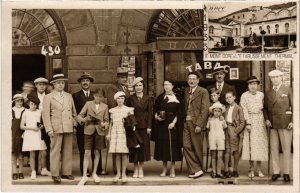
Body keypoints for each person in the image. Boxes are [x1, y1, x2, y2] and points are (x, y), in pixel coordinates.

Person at [42, 74, 77, 183]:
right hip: (55, 127)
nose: (61, 85)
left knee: (67, 150)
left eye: (62, 83)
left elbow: (73, 113)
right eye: (58, 83)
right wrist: (49, 129)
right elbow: (45, 115)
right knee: (55, 151)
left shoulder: (69, 96)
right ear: (53, 84)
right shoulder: (48, 97)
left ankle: (66, 172)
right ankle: (55, 173)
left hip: (68, 126)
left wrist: (74, 124)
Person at [264, 70, 293, 182]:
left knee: (286, 148)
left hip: (285, 123)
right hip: (272, 123)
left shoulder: (288, 90)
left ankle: (286, 172)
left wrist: (293, 121)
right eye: (272, 78)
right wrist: (266, 119)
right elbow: (265, 108)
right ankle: (276, 171)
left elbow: (295, 106)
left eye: (277, 77)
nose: (275, 79)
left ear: (281, 77)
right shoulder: (268, 92)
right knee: (274, 148)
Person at [73, 72, 102, 176]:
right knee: (83, 150)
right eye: (83, 81)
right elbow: (74, 112)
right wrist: (76, 124)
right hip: (82, 127)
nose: (85, 82)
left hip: (95, 126)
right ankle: (84, 171)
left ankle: (98, 169)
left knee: (96, 149)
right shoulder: (75, 96)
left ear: (90, 83)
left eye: (87, 81)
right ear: (80, 83)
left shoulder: (96, 95)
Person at [152, 80, 183, 178]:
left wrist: (173, 123)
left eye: (168, 85)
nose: (166, 87)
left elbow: (180, 112)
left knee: (172, 146)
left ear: (172, 86)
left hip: (173, 124)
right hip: (162, 124)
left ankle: (172, 168)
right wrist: (157, 117)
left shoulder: (178, 97)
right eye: (165, 85)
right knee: (164, 146)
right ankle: (164, 168)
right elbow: (155, 110)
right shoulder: (160, 97)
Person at [77, 92, 109, 185]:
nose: (98, 98)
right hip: (88, 130)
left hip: (99, 131)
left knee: (97, 152)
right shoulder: (88, 104)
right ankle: (84, 175)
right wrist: (85, 119)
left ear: (103, 97)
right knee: (87, 152)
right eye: (96, 96)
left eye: (100, 96)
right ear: (94, 96)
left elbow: (107, 120)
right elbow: (79, 116)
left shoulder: (105, 106)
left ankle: (94, 173)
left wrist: (104, 125)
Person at [183, 72, 209, 179]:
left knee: (197, 147)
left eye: (194, 79)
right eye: (190, 79)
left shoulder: (203, 91)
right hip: (186, 122)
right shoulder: (186, 91)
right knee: (186, 145)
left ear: (198, 80)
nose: (191, 81)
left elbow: (205, 109)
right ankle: (196, 168)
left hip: (196, 124)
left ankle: (198, 169)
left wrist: (199, 124)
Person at [241, 76, 268, 178]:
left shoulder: (261, 95)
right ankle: (251, 169)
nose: (253, 86)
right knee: (251, 145)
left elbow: (265, 109)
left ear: (257, 85)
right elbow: (244, 109)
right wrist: (247, 122)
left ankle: (259, 169)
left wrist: (266, 120)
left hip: (260, 121)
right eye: (251, 84)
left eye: (255, 84)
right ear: (248, 86)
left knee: (259, 145)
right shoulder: (244, 95)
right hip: (250, 120)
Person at [126, 77, 152, 178]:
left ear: (143, 87)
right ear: (134, 87)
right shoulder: (130, 99)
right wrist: (130, 125)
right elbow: (128, 113)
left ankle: (141, 168)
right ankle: (135, 168)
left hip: (144, 126)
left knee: (143, 147)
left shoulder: (148, 98)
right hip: (134, 126)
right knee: (134, 147)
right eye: (136, 86)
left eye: (140, 85)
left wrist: (149, 127)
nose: (138, 87)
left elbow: (150, 113)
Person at [106, 67, 130, 174]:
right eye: (122, 77)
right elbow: (111, 104)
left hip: (126, 119)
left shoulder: (126, 88)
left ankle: (123, 167)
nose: (124, 79)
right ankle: (116, 168)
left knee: (124, 144)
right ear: (117, 78)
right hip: (117, 118)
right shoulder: (113, 88)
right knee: (116, 143)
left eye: (126, 77)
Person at [106, 91, 132, 183]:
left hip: (124, 132)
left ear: (124, 99)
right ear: (116, 100)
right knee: (117, 154)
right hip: (115, 132)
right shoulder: (112, 110)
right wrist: (109, 134)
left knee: (124, 154)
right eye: (118, 98)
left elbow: (132, 123)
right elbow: (111, 123)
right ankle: (118, 173)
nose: (120, 100)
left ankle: (124, 174)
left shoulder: (128, 109)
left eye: (122, 98)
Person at [20, 95, 46, 180]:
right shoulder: (25, 112)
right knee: (32, 154)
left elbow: (40, 123)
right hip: (29, 134)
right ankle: (33, 171)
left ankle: (43, 169)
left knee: (43, 152)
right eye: (31, 104)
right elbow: (22, 126)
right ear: (28, 104)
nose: (33, 106)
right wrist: (32, 128)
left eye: (35, 104)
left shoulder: (39, 112)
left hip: (38, 134)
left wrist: (40, 126)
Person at [31, 77, 51, 176]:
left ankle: (46, 168)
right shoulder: (31, 96)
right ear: (36, 86)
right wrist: (38, 125)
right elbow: (30, 112)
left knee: (47, 146)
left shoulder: (50, 96)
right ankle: (35, 170)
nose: (42, 86)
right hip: (36, 125)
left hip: (48, 125)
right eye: (40, 84)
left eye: (44, 84)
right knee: (35, 146)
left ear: (46, 86)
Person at [224, 91, 245, 178]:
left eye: (230, 97)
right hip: (226, 129)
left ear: (234, 97)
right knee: (227, 150)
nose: (228, 99)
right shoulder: (226, 108)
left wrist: (236, 131)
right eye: (226, 98)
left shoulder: (239, 108)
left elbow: (242, 122)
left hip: (234, 129)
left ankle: (235, 170)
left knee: (235, 151)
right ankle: (226, 170)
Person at [206, 102, 227, 179]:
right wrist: (209, 139)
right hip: (212, 138)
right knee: (213, 155)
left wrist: (223, 119)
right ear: (213, 111)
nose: (217, 113)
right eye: (215, 111)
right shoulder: (210, 120)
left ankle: (219, 172)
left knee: (220, 156)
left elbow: (224, 129)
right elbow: (208, 129)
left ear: (221, 112)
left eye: (219, 111)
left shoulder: (222, 120)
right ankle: (214, 172)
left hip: (220, 138)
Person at [11, 94, 25, 180]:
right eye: (17, 101)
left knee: (21, 155)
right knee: (13, 154)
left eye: (21, 101)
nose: (19, 103)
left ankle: (20, 172)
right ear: (14, 102)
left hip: (22, 134)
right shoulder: (11, 110)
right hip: (13, 135)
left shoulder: (25, 110)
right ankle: (14, 172)